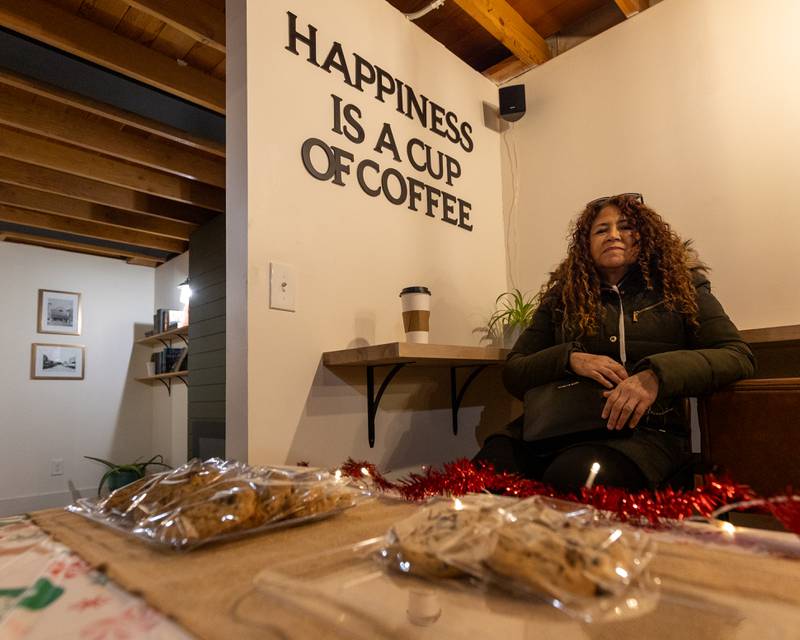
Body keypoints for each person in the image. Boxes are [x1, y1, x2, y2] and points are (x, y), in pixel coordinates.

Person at [474, 193, 755, 490]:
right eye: (601, 230)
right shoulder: (562, 297)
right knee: (483, 474)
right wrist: (569, 358)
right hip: (556, 428)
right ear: (586, 243)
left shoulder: (682, 287)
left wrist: (655, 376)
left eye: (625, 227)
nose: (613, 235)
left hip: (645, 434)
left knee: (576, 478)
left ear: (645, 236)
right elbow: (515, 371)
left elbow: (736, 355)